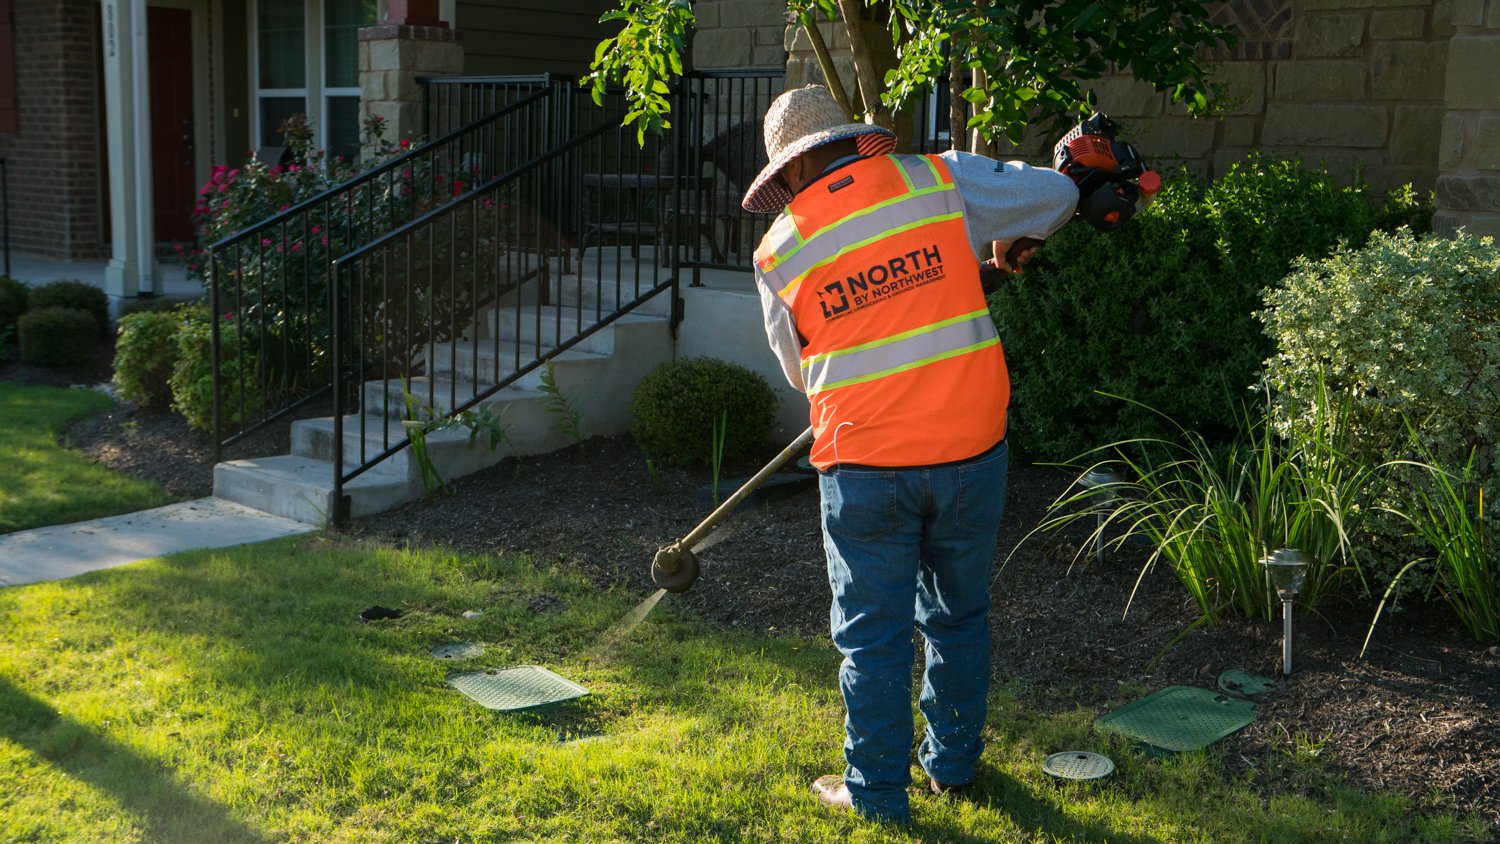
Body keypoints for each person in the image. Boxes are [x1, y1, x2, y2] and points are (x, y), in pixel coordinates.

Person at [740, 84, 1079, 824]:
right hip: (970, 446)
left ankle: (876, 794)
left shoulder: (779, 249)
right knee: (958, 615)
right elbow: (1056, 194)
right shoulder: (937, 181)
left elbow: (797, 370)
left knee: (873, 636)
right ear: (848, 139)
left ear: (788, 172)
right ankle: (952, 768)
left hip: (862, 462)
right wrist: (1003, 242)